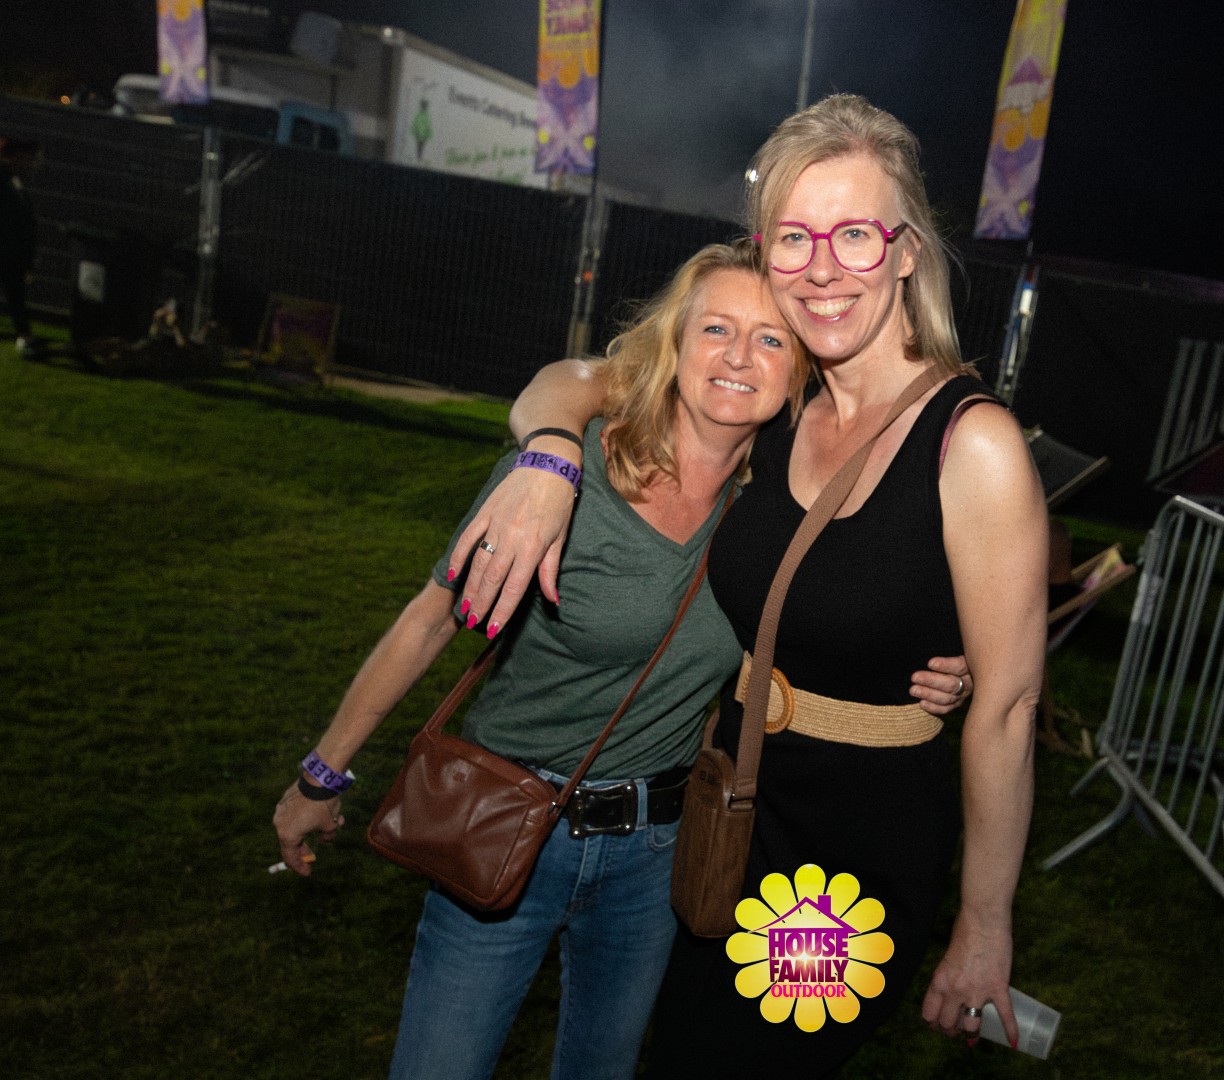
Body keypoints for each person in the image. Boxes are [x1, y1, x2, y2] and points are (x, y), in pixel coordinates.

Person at [449, 94, 1048, 1075]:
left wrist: (985, 924)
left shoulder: (970, 442)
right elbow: (584, 379)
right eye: (795, 237)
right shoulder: (786, 403)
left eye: (854, 235)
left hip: (848, 851)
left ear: (905, 251)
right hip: (727, 806)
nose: (822, 268)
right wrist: (550, 457)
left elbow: (1011, 706)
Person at [272, 240, 971, 1080]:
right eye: (715, 329)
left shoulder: (771, 519)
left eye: (770, 339)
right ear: (675, 344)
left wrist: (939, 669)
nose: (738, 357)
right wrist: (322, 775)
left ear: (799, 372)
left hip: (656, 855)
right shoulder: (566, 481)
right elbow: (428, 624)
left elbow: (843, 622)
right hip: (504, 822)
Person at [0, 136, 41, 359]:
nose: (34, 164)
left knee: (16, 295)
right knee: (16, 295)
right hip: (7, 251)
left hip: (11, 253)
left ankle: (23, 334)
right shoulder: (6, 180)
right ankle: (23, 335)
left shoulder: (14, 182)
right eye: (31, 158)